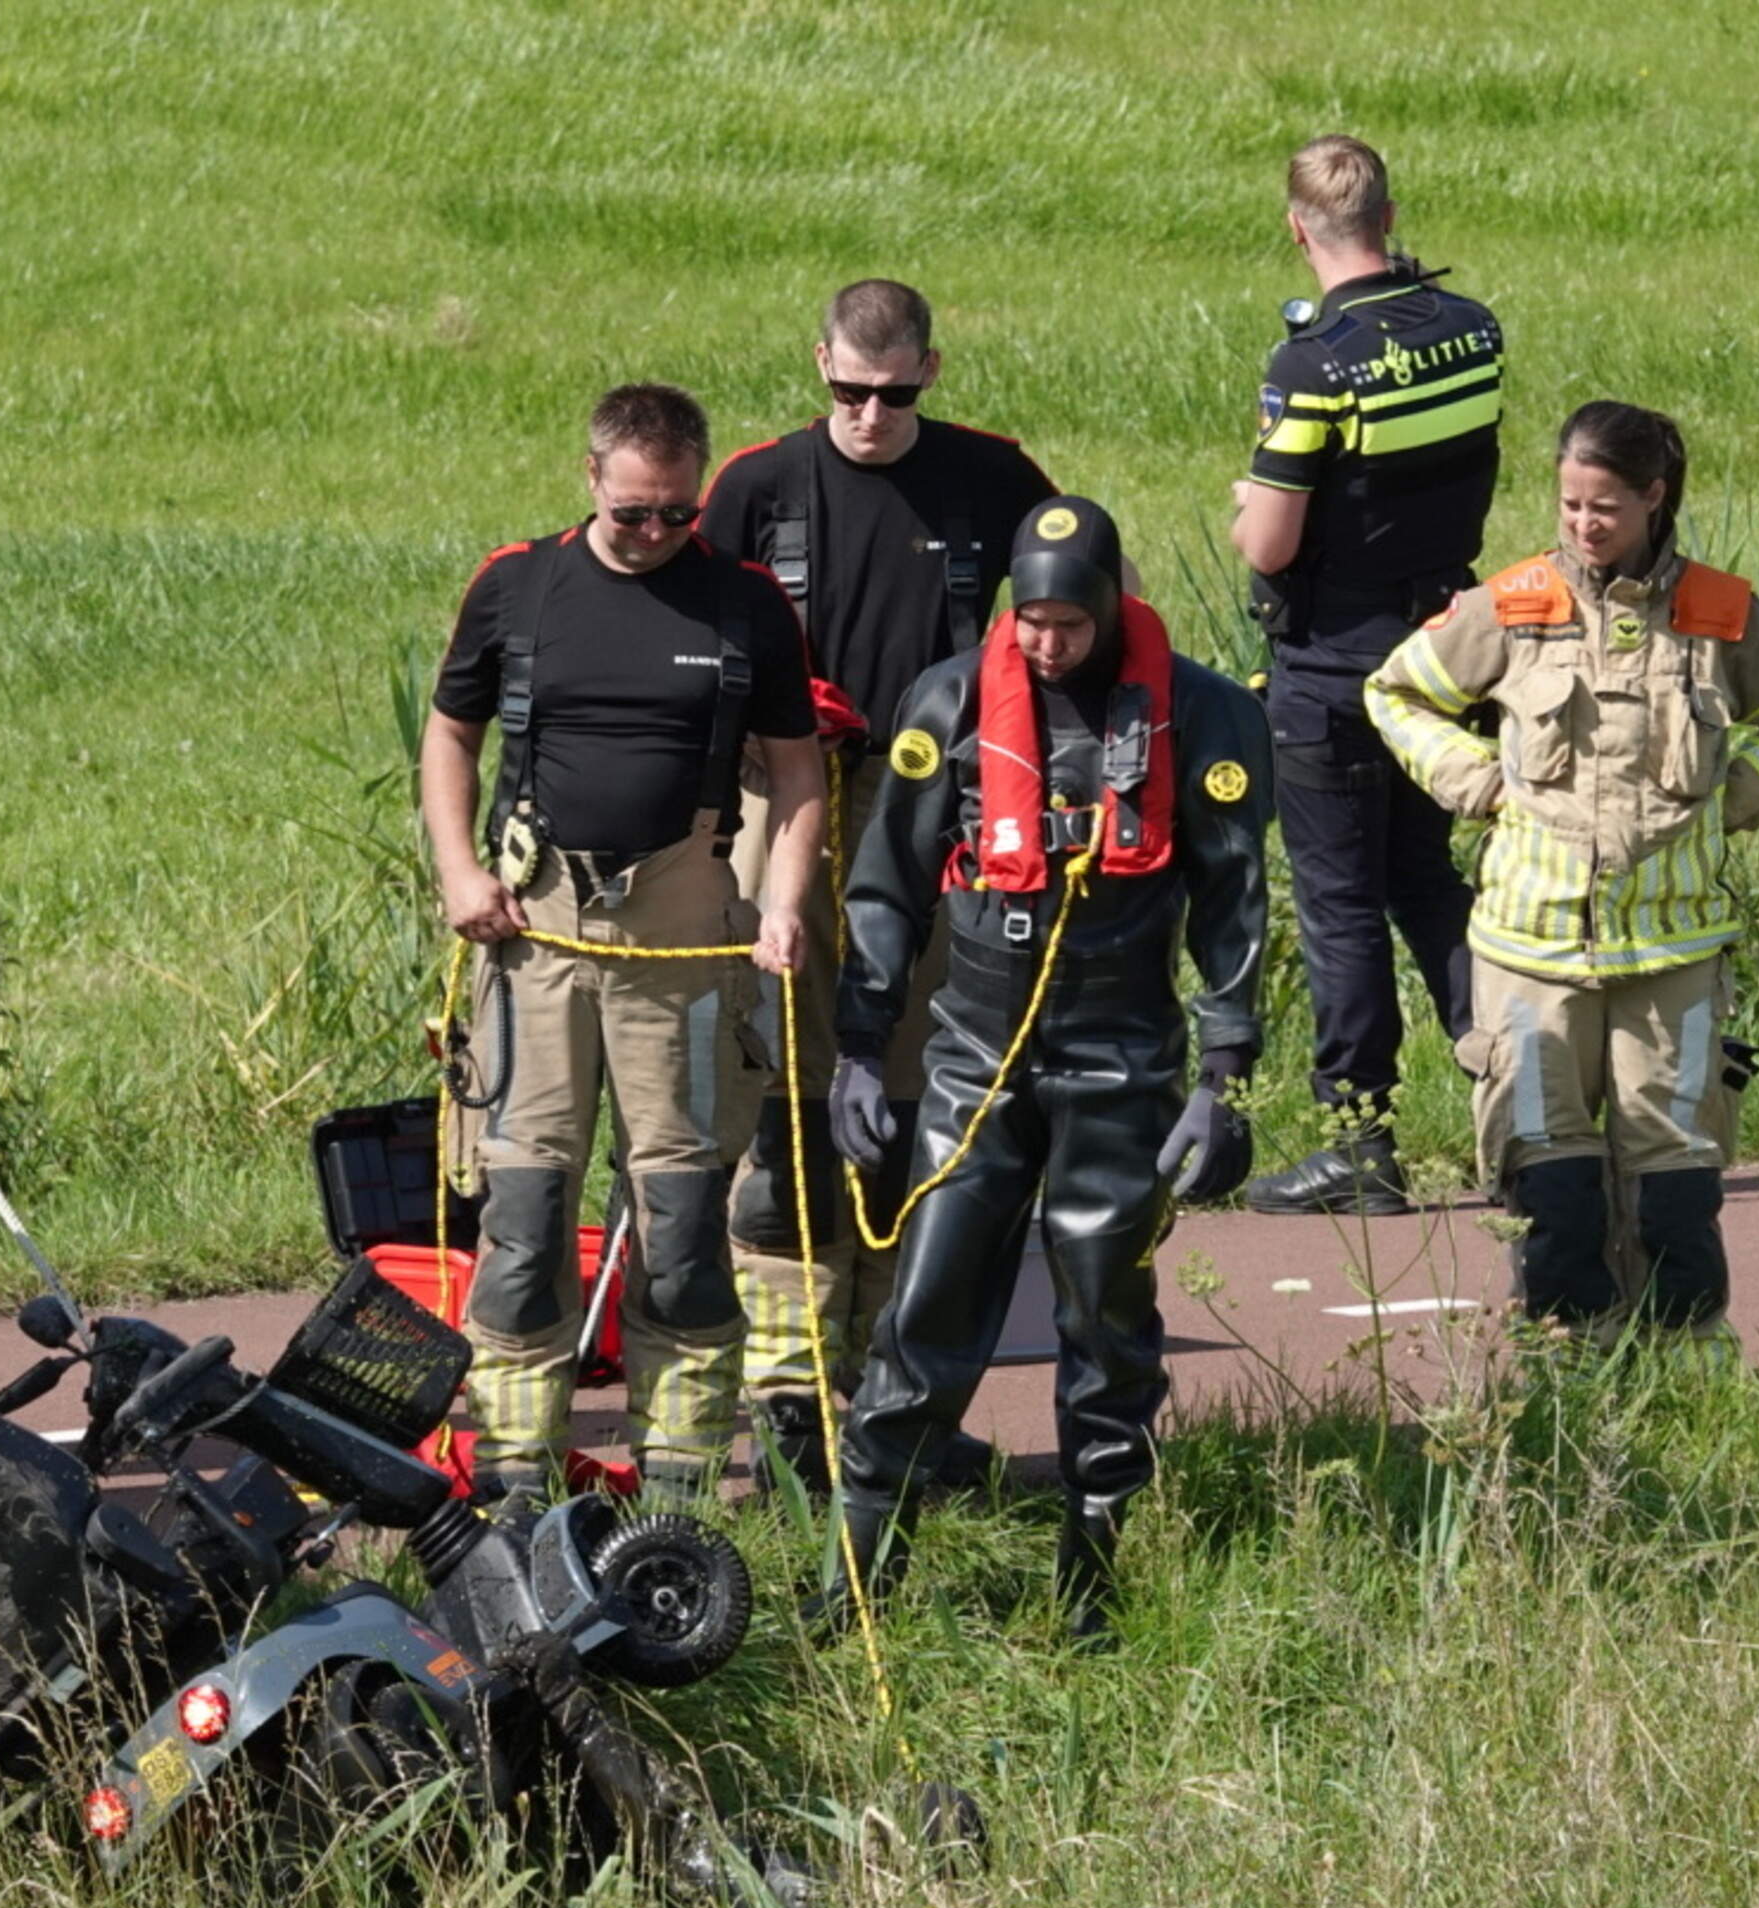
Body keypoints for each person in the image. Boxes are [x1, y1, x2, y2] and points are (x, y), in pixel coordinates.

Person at [812, 497, 1270, 1642]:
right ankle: (858, 1587)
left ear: (1113, 602)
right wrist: (861, 1052)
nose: (1048, 643)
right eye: (1031, 621)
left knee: (1105, 1316)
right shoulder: (951, 700)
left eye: (1070, 622)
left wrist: (1226, 1078)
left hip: (1121, 1059)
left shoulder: (1204, 715)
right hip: (973, 1055)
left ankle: (1095, 1583)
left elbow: (1234, 909)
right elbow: (884, 891)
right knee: (924, 1313)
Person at [1364, 402, 1759, 1344]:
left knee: (1675, 1189)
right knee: (1555, 1188)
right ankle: (1568, 1378)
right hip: (1528, 957)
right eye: (1570, 504)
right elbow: (1395, 689)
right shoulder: (1514, 602)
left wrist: (1746, 793)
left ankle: (1683, 1375)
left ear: (1654, 499)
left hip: (1676, 957)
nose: (1584, 525)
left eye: (1606, 507)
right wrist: (1469, 779)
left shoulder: (1717, 610)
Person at [421, 382, 823, 1509]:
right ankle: (513, 1481)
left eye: (677, 516)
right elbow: (451, 735)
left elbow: (798, 775)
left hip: (686, 954)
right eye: (634, 512)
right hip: (534, 943)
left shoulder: (744, 605)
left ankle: (683, 1491)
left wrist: (782, 904)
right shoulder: (517, 586)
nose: (654, 534)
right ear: (590, 479)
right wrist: (460, 873)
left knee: (686, 1226)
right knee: (526, 1218)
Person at [698, 278, 1059, 1487]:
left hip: (937, 823)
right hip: (789, 812)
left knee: (908, 1108)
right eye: (847, 392)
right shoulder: (753, 486)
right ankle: (789, 1391)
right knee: (789, 1103)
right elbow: (683, 644)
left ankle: (891, 1395)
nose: (868, 415)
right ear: (819, 370)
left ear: (932, 374)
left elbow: (1070, 624)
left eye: (893, 394)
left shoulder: (996, 480)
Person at [1227, 135, 1507, 1218]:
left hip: (1335, 662)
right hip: (1445, 650)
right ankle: (1527, 1091)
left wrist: (1249, 503)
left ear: (1298, 228)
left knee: (1342, 902)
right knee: (1426, 880)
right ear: (1391, 217)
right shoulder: (1473, 331)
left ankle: (1358, 1140)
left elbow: (1270, 547)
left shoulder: (1311, 364)